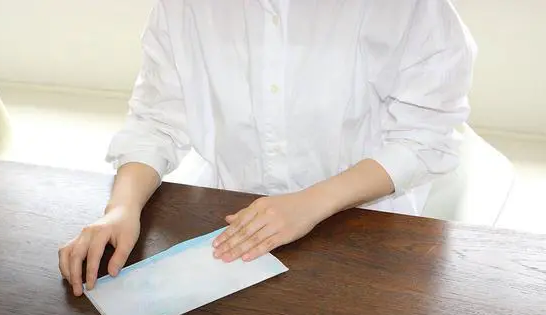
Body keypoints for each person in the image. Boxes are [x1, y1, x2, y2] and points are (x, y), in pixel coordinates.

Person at [59, 0, 476, 296]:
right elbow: (156, 119)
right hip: (233, 220)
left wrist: (309, 203)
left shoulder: (409, 8)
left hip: (364, 224)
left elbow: (426, 136)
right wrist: (122, 207)